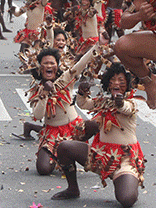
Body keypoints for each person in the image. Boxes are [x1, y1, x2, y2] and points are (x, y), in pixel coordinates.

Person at [52, 62, 143, 207]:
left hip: (124, 161)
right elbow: (84, 104)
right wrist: (82, 91)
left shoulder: (131, 103)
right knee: (64, 147)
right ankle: (72, 189)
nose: (116, 84)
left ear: (127, 84)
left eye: (121, 81)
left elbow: (126, 108)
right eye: (112, 80)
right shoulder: (103, 102)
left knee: (127, 200)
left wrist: (119, 103)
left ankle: (127, 181)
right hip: (100, 156)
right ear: (107, 84)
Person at [24, 47, 99, 175]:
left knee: (95, 124)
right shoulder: (37, 90)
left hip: (75, 128)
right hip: (52, 134)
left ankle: (77, 148)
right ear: (39, 67)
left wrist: (98, 45)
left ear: (57, 67)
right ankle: (63, 154)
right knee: (43, 169)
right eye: (45, 63)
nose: (49, 66)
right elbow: (37, 114)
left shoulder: (65, 79)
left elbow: (81, 64)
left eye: (52, 63)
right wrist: (45, 93)